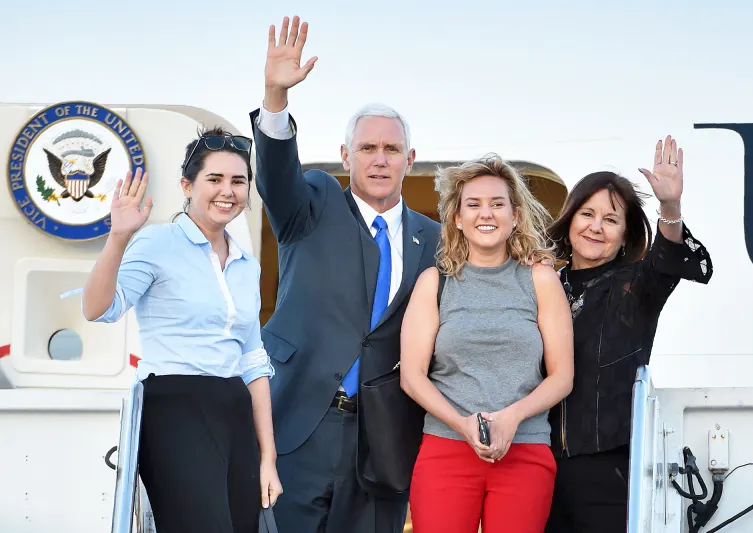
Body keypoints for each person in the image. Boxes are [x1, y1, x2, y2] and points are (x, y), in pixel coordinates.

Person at [249, 15, 441, 533]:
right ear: (345, 156)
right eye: (367, 148)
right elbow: (274, 175)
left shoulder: (436, 240)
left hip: (383, 441)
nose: (379, 160)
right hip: (298, 426)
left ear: (410, 160)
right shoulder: (311, 204)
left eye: (392, 149)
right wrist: (274, 96)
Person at [78, 127, 282, 533]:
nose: (228, 191)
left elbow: (253, 362)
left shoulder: (246, 263)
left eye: (238, 181)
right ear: (187, 185)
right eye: (215, 179)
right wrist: (118, 237)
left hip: (234, 411)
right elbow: (98, 308)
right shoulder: (157, 242)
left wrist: (268, 459)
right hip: (174, 407)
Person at [544, 136, 713, 533]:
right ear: (569, 220)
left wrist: (669, 206)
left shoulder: (636, 285)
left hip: (611, 468)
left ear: (625, 234)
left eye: (611, 219)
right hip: (535, 461)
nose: (596, 227)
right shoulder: (538, 283)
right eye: (587, 214)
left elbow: (667, 260)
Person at [399, 155, 575, 533]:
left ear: (515, 216)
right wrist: (463, 425)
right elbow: (412, 377)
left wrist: (511, 418)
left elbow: (562, 377)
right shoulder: (435, 282)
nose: (486, 214)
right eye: (473, 204)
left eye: (498, 204)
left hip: (525, 451)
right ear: (457, 219)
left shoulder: (541, 280)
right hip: (445, 450)